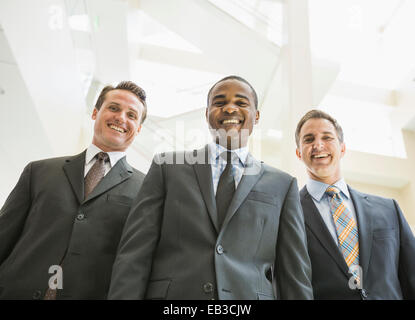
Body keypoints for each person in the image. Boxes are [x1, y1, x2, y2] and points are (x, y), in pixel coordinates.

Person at [108, 75, 313, 300]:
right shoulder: (167, 167)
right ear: (207, 115)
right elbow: (135, 253)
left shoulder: (283, 185)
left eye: (241, 103)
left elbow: (294, 274)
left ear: (256, 116)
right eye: (219, 102)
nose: (229, 108)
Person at [0, 81, 147, 299]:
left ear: (139, 129)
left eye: (132, 115)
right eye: (114, 108)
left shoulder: (147, 189)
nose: (121, 118)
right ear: (96, 113)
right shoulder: (38, 171)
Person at [295, 109, 415, 300]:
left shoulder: (388, 209)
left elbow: (411, 275)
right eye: (309, 139)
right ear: (298, 153)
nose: (318, 145)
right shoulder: (289, 213)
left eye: (327, 137)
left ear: (342, 148)